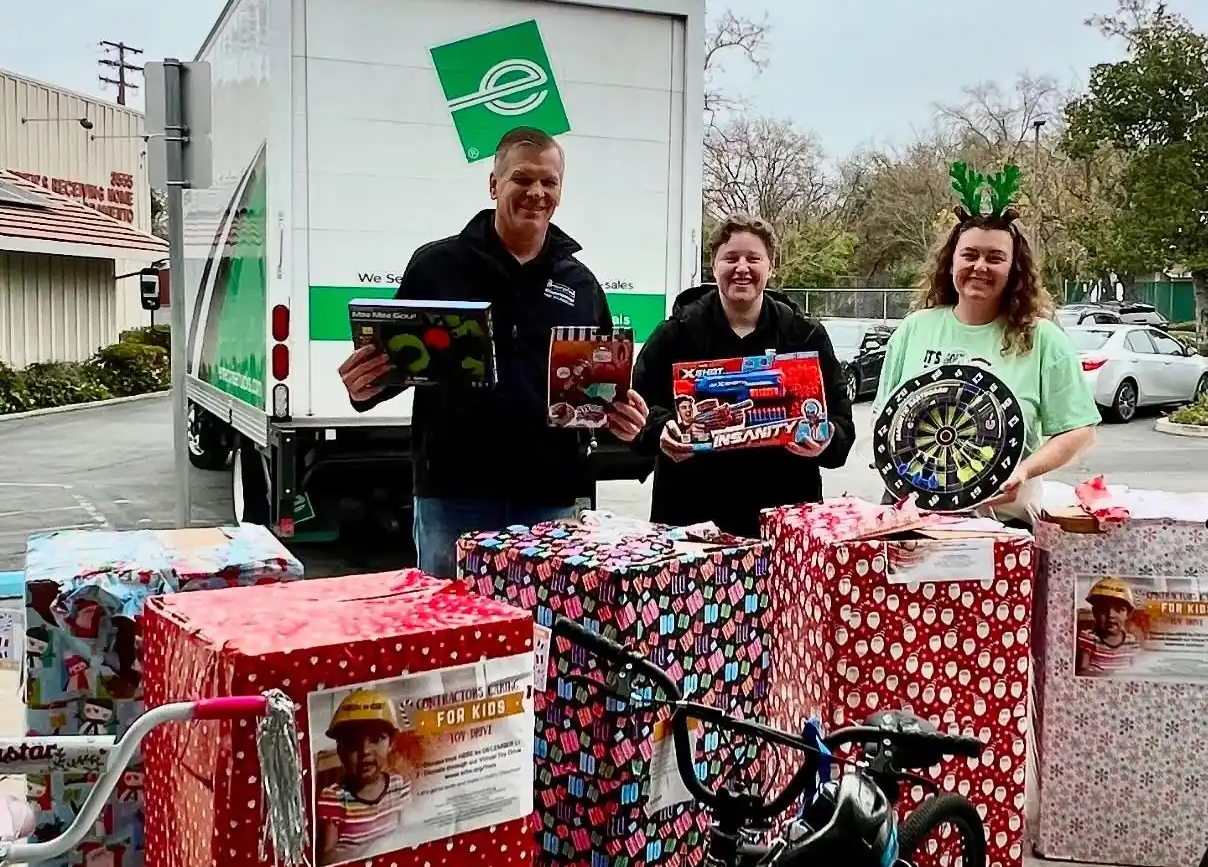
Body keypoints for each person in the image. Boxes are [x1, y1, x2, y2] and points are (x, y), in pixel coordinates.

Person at [338, 127, 648, 577]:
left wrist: (625, 422)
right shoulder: (436, 268)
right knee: (450, 620)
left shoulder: (581, 285)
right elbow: (395, 367)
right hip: (453, 496)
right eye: (522, 178)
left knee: (539, 621)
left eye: (549, 181)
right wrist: (363, 387)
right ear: (494, 184)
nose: (536, 192)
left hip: (549, 498)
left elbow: (598, 394)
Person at [874, 200, 1098, 522]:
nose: (980, 266)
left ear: (1014, 269)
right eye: (970, 255)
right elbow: (884, 416)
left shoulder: (1042, 339)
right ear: (951, 262)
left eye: (995, 258)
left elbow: (1080, 430)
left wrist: (1024, 470)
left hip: (1001, 522)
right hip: (910, 518)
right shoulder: (914, 329)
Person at [632, 215, 855, 537]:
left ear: (771, 267)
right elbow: (637, 410)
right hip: (692, 517)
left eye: (753, 258)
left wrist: (826, 439)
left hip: (783, 519)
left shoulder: (804, 336)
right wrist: (660, 431)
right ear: (714, 266)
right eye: (731, 258)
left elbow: (841, 422)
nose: (742, 268)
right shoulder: (676, 334)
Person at [316, 688, 412, 866]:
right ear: (340, 751)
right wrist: (373, 850)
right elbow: (325, 859)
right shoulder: (334, 797)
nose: (365, 750)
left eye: (376, 739)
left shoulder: (400, 786)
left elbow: (409, 832)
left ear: (391, 743)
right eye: (353, 742)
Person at [1075, 577, 1142, 676]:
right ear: (1095, 613)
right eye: (1103, 609)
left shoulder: (1132, 642)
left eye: (1118, 609)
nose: (1111, 615)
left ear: (1128, 614)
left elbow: (1136, 671)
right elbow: (1082, 672)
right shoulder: (1089, 638)